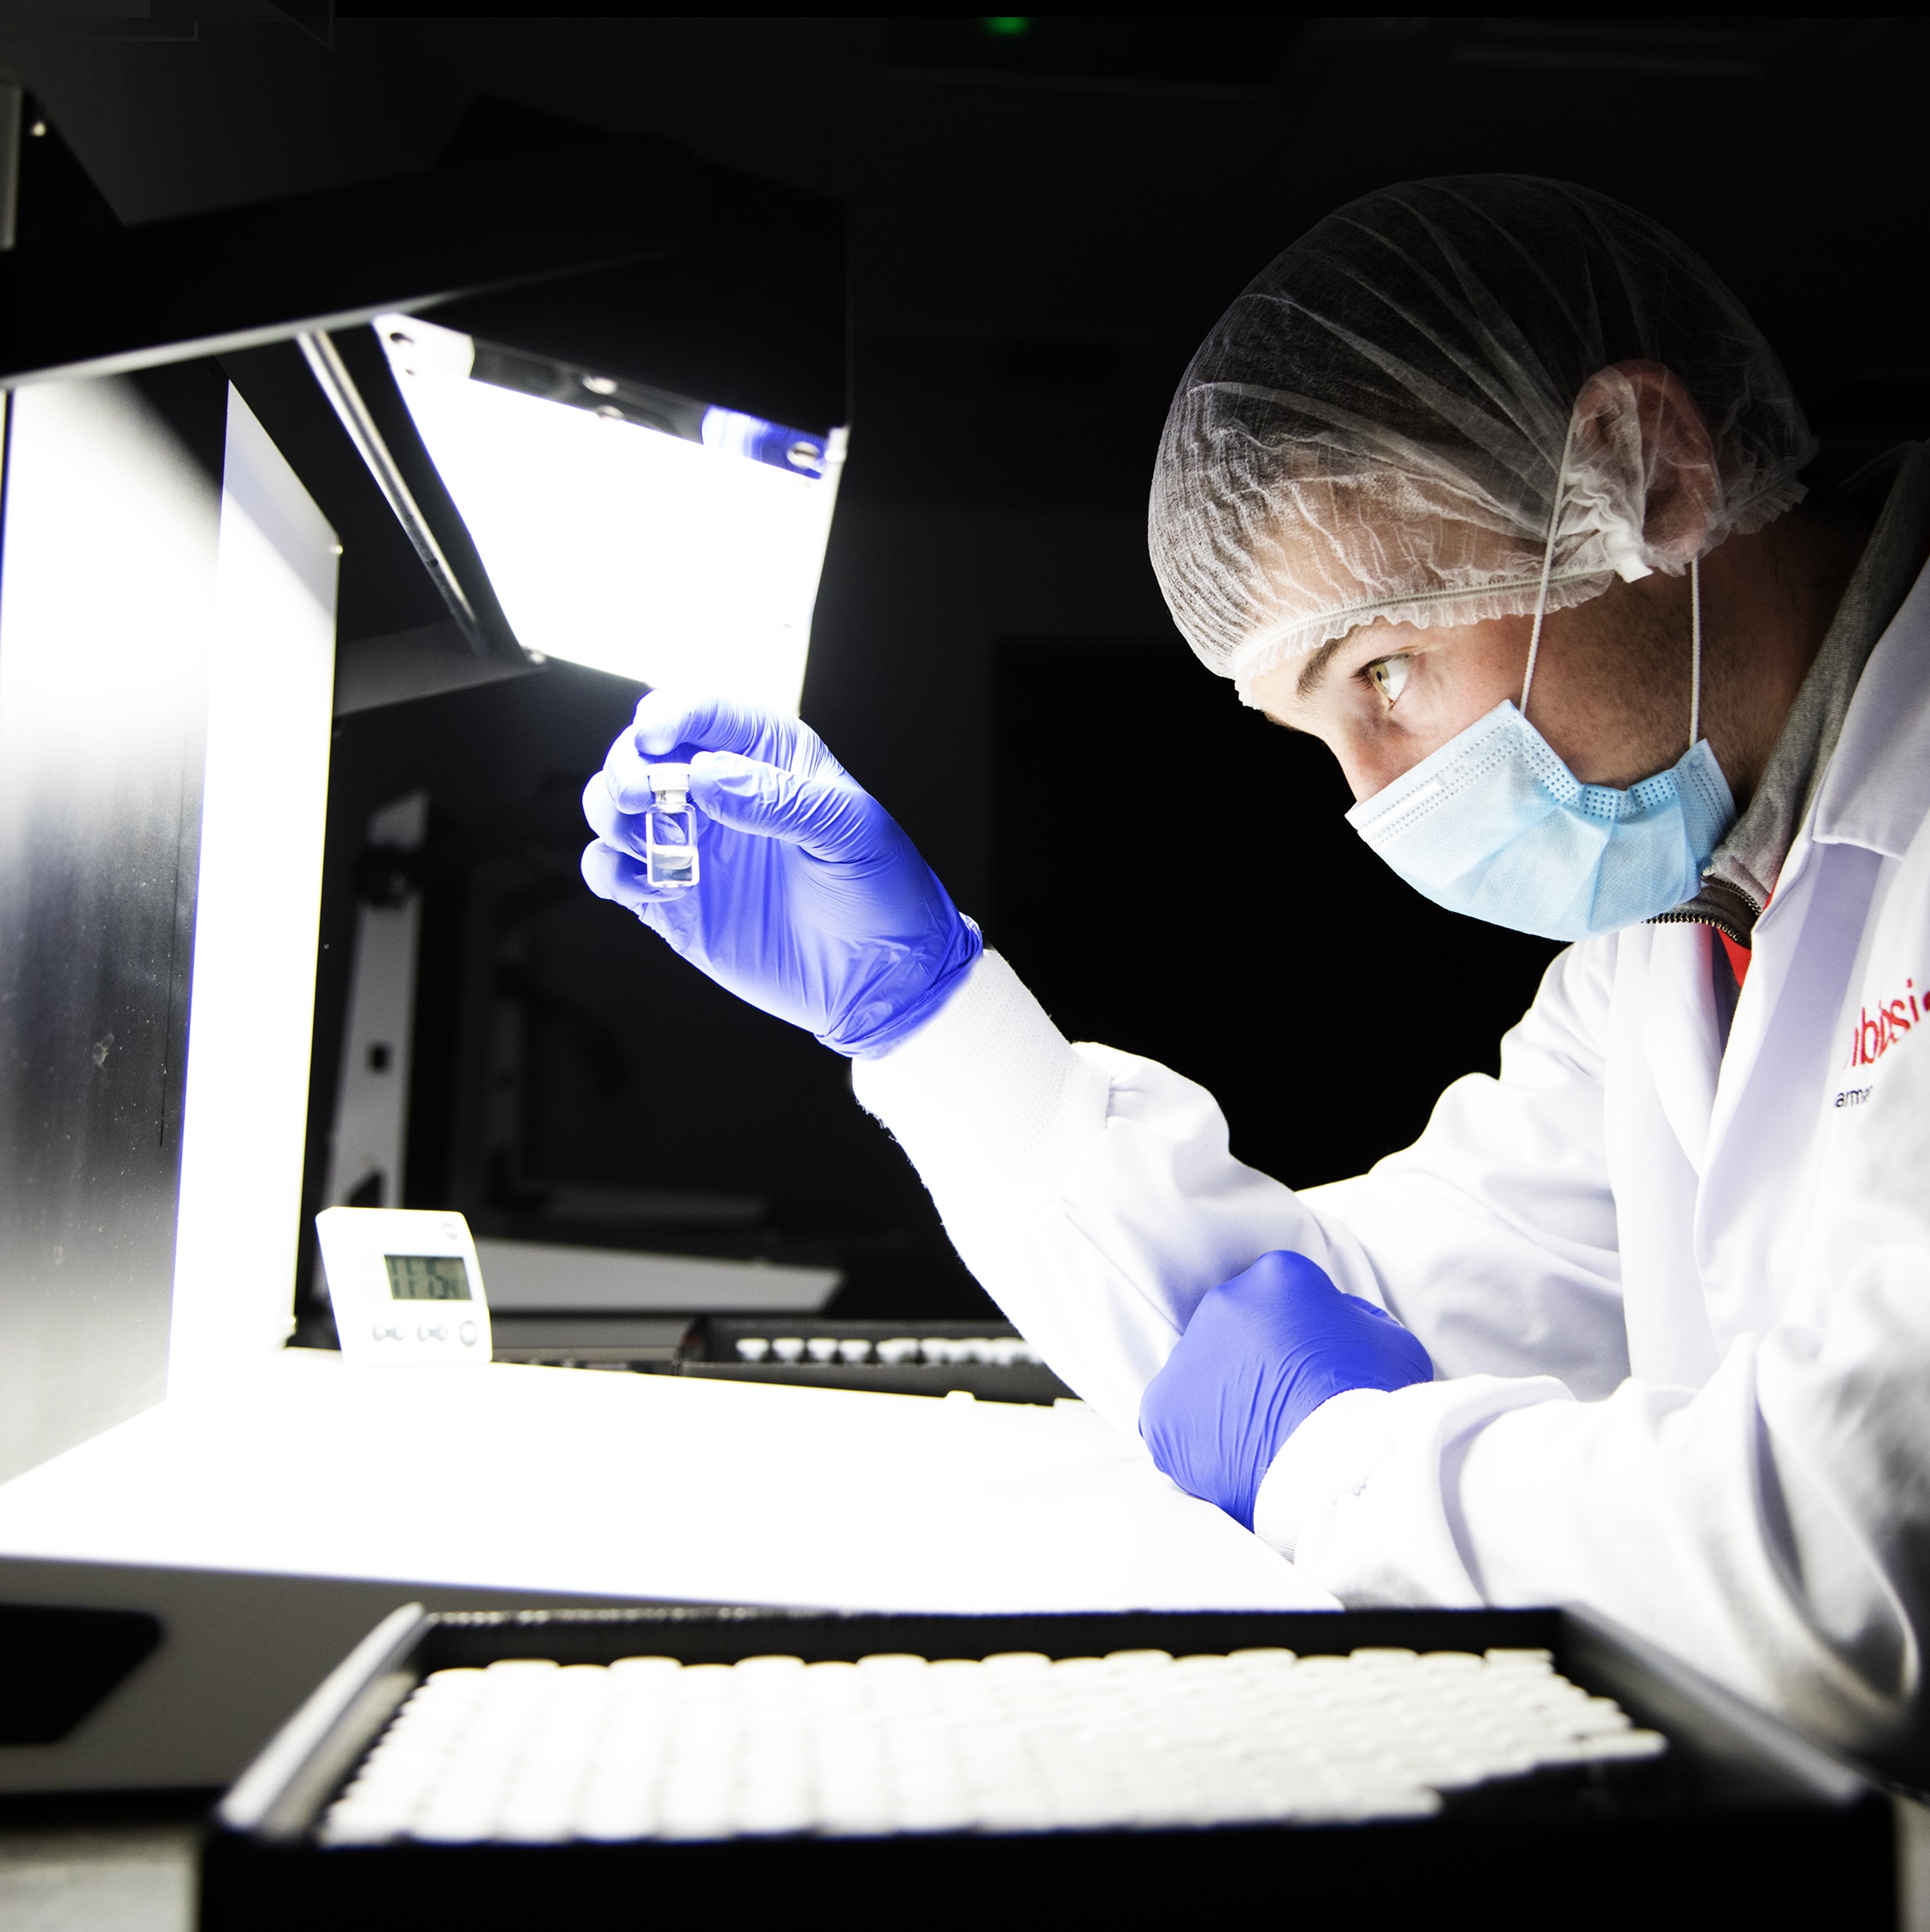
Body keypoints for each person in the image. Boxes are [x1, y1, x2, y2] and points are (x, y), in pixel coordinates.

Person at [581, 176, 1930, 1774]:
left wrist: (1329, 1466)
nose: (1377, 798)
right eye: (1315, 732)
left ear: (1651, 475)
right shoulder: (1673, 940)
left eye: (1384, 670)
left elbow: (1857, 1570)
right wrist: (930, 1024)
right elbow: (1309, 1329)